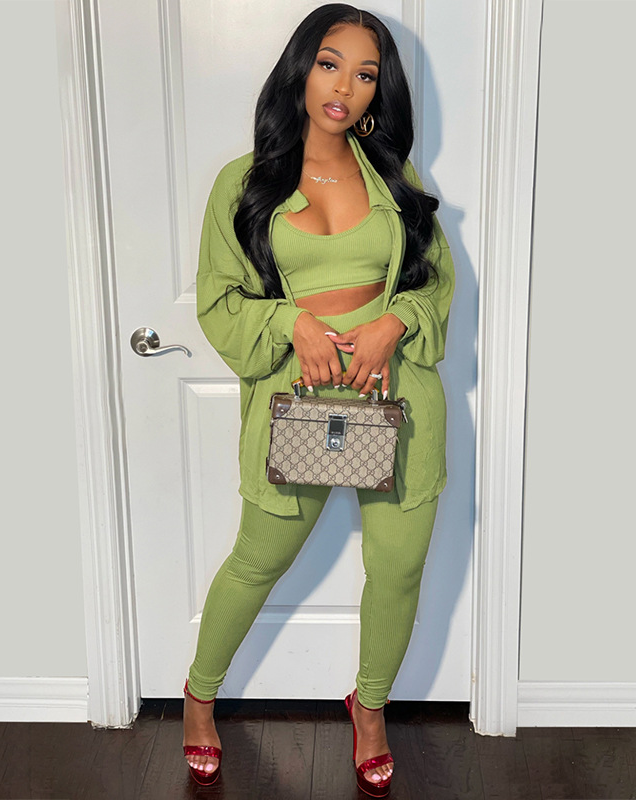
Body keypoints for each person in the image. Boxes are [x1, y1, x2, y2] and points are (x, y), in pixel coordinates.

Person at [183, 4, 455, 795]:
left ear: (378, 92)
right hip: (296, 400)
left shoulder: (398, 181)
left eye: (366, 74)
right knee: (257, 561)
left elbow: (436, 283)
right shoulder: (244, 184)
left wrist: (395, 322)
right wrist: (288, 322)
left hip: (397, 395)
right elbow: (218, 302)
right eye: (330, 64)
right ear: (301, 67)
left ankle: (369, 709)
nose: (344, 87)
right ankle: (199, 695)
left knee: (398, 569)